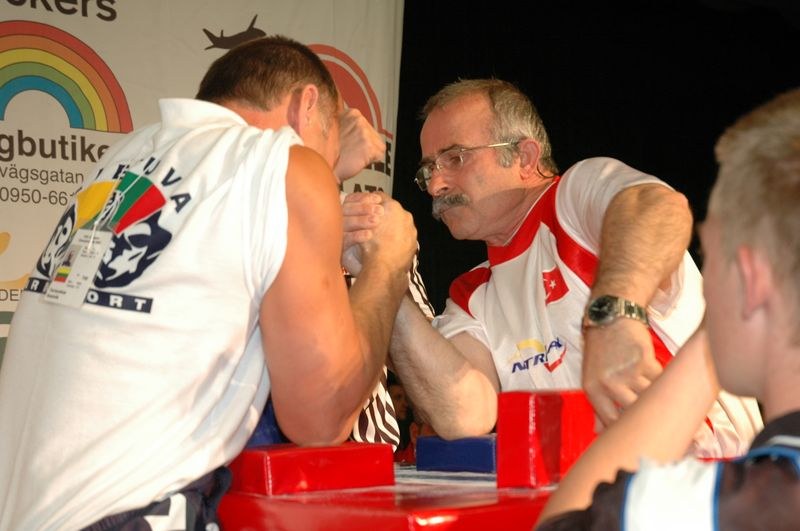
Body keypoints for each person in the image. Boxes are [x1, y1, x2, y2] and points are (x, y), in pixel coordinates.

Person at [0, 35, 418, 530]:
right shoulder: (287, 165)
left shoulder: (124, 157)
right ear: (307, 105)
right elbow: (321, 416)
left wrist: (323, 166)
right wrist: (388, 265)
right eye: (331, 143)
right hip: (126, 510)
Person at [344, 78, 761, 457]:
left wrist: (616, 317)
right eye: (428, 170)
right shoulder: (472, 295)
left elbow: (659, 208)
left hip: (711, 487)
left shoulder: (574, 196)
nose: (436, 185)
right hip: (600, 503)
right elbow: (463, 414)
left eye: (454, 158)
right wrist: (383, 271)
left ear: (525, 156)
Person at [535, 87, 800, 530]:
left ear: (750, 281)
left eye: (710, 257)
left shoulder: (722, 507)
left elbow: (563, 522)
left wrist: (708, 341)